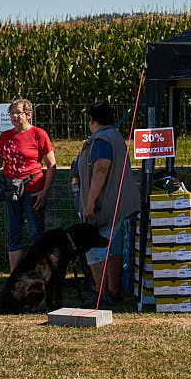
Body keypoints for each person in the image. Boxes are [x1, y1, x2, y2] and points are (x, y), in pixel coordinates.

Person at [76, 100, 140, 302]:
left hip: (104, 206)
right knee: (113, 248)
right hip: (118, 205)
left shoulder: (101, 140)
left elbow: (101, 168)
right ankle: (113, 291)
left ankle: (99, 294)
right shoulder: (115, 136)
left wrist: (90, 201)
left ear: (91, 120)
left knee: (94, 247)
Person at [0, 98, 57, 272]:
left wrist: (44, 192)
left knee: (36, 233)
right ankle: (15, 277)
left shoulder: (39, 134)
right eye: (12, 113)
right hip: (10, 190)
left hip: (33, 190)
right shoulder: (5, 136)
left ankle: (39, 274)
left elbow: (51, 165)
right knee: (13, 233)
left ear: (29, 114)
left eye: (18, 112)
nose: (14, 116)